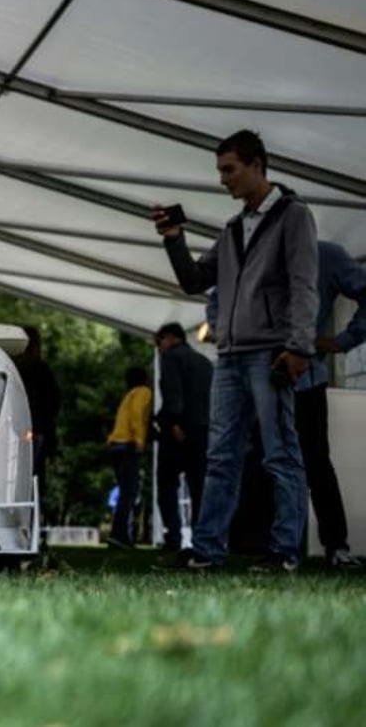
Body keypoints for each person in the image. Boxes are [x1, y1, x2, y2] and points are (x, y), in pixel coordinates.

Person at [152, 129, 318, 572]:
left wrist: (299, 348)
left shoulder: (293, 215)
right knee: (221, 456)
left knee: (280, 453)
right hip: (229, 356)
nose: (223, 179)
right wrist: (173, 238)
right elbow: (193, 280)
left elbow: (304, 286)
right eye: (220, 171)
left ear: (257, 166)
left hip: (270, 354)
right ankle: (208, 551)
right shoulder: (233, 229)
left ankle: (285, 552)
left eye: (230, 169)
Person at [294, 241, 366, 567]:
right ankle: (271, 544)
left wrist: (341, 342)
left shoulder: (324, 253)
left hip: (304, 376)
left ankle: (336, 545)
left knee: (315, 462)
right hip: (255, 377)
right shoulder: (251, 250)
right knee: (261, 461)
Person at [154, 322, 213, 552]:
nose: (160, 348)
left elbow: (173, 394)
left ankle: (173, 537)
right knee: (198, 487)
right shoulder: (204, 362)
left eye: (160, 342)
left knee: (167, 485)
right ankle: (201, 537)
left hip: (178, 430)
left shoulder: (171, 357)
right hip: (203, 429)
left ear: (168, 338)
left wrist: (173, 422)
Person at [13, 326, 60, 507]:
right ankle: (30, 518)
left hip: (10, 429)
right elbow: (52, 403)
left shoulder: (9, 367)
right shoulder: (40, 369)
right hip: (35, 428)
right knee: (33, 476)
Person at [107, 366, 152, 548]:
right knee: (129, 492)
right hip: (128, 445)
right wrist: (140, 440)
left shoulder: (129, 395)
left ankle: (118, 534)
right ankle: (119, 534)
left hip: (115, 445)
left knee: (125, 491)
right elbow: (137, 415)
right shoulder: (143, 392)